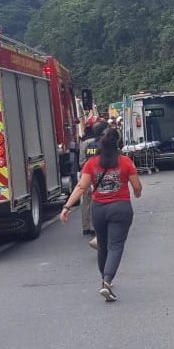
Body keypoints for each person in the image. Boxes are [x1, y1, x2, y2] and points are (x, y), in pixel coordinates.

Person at [60, 128, 143, 302]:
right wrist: (137, 192)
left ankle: (104, 279)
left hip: (98, 209)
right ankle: (107, 281)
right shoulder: (126, 162)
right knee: (116, 246)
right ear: (118, 144)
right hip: (120, 208)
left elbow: (81, 187)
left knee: (103, 245)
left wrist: (67, 207)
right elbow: (137, 186)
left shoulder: (91, 163)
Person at [79, 119, 108, 238]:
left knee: (85, 200)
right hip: (99, 174)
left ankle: (86, 227)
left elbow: (81, 161)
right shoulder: (104, 141)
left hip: (86, 174)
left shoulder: (84, 142)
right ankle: (98, 226)